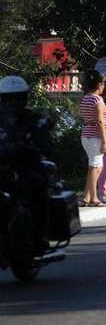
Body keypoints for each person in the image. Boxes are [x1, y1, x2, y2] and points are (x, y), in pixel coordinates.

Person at [0, 75, 54, 253]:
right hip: (3, 168)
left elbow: (45, 134)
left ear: (24, 98)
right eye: (9, 98)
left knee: (37, 187)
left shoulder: (33, 118)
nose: (13, 102)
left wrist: (41, 140)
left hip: (26, 168)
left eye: (17, 97)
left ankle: (40, 236)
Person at [79, 70, 106, 207]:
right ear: (98, 84)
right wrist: (104, 140)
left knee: (95, 166)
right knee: (95, 166)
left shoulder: (85, 98)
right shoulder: (97, 99)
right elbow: (100, 121)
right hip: (95, 136)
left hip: (86, 134)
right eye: (103, 84)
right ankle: (94, 198)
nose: (104, 87)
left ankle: (86, 196)